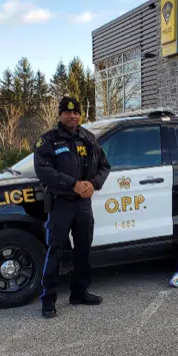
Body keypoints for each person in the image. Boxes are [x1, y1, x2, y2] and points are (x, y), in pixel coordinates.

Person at [33, 96, 111, 319]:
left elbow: (104, 166)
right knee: (55, 250)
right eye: (68, 113)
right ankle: (48, 300)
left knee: (84, 249)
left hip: (83, 205)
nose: (72, 116)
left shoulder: (88, 138)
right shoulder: (48, 140)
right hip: (61, 204)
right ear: (60, 114)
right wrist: (73, 185)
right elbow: (43, 171)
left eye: (76, 112)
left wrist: (92, 184)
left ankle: (79, 292)